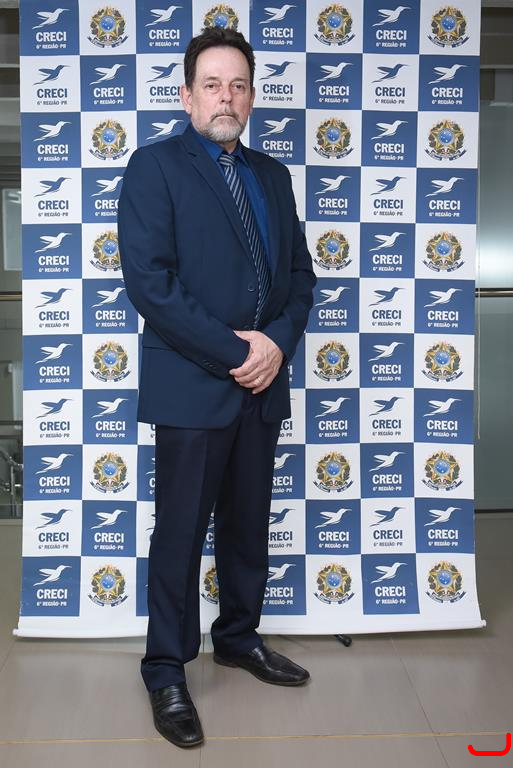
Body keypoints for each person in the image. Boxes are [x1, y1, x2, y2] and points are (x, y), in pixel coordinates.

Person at [118, 26, 316, 749]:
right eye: (212, 85)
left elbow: (299, 276)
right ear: (187, 95)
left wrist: (276, 344)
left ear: (252, 97)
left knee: (246, 524)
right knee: (179, 533)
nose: (225, 97)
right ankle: (166, 669)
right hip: (194, 385)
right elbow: (151, 284)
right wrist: (239, 351)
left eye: (238, 85)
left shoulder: (272, 175)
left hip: (262, 385)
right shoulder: (154, 166)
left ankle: (238, 637)